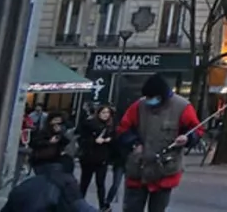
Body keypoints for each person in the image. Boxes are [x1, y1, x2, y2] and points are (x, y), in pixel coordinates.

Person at [115, 73, 202, 212]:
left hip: (164, 171)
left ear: (161, 96)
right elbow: (123, 129)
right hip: (138, 169)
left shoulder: (182, 107)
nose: (148, 100)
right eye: (146, 97)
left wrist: (188, 138)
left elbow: (197, 130)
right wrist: (134, 143)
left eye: (151, 97)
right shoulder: (138, 106)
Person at [77, 104, 119, 211]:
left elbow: (115, 140)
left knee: (100, 183)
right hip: (89, 157)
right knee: (84, 182)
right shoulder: (89, 124)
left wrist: (110, 140)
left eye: (107, 113)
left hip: (102, 158)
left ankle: (102, 206)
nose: (106, 115)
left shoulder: (111, 126)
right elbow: (81, 138)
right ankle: (79, 204)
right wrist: (94, 141)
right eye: (103, 113)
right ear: (98, 113)